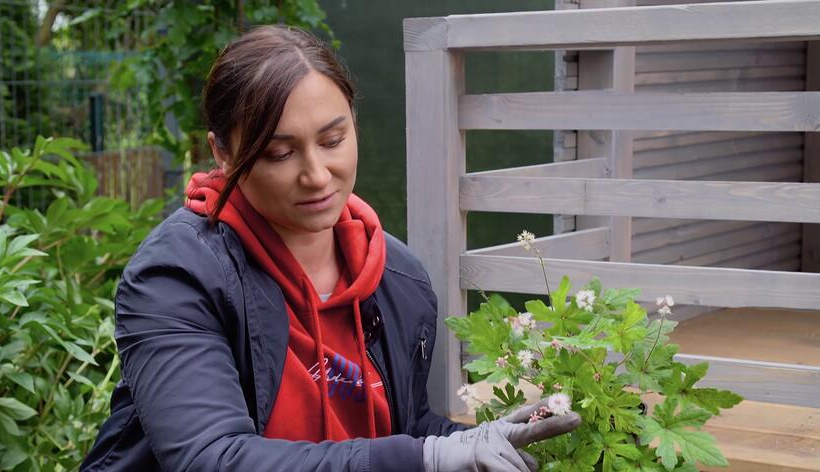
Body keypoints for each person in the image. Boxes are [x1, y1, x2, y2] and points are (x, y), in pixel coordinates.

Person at [80, 25, 581, 471]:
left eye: (333, 140)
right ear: (223, 153)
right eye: (279, 152)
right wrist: (429, 457)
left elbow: (402, 432)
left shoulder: (396, 277)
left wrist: (476, 443)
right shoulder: (178, 277)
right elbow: (210, 457)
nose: (317, 175)